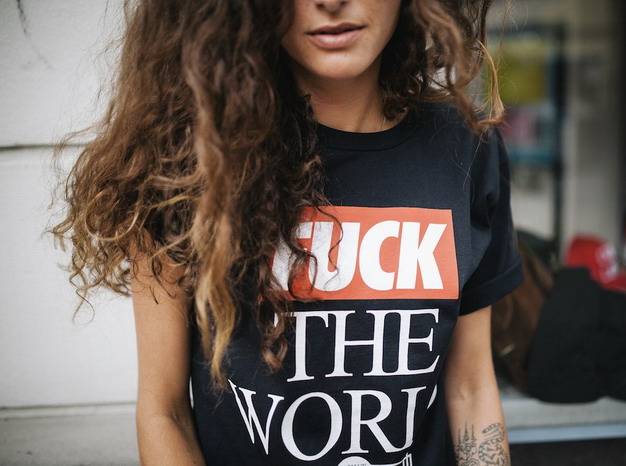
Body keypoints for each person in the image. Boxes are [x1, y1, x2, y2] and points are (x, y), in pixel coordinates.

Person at [52, 0, 522, 464]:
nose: (330, 3)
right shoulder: (186, 162)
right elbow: (164, 412)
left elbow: (470, 388)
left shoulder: (465, 146)